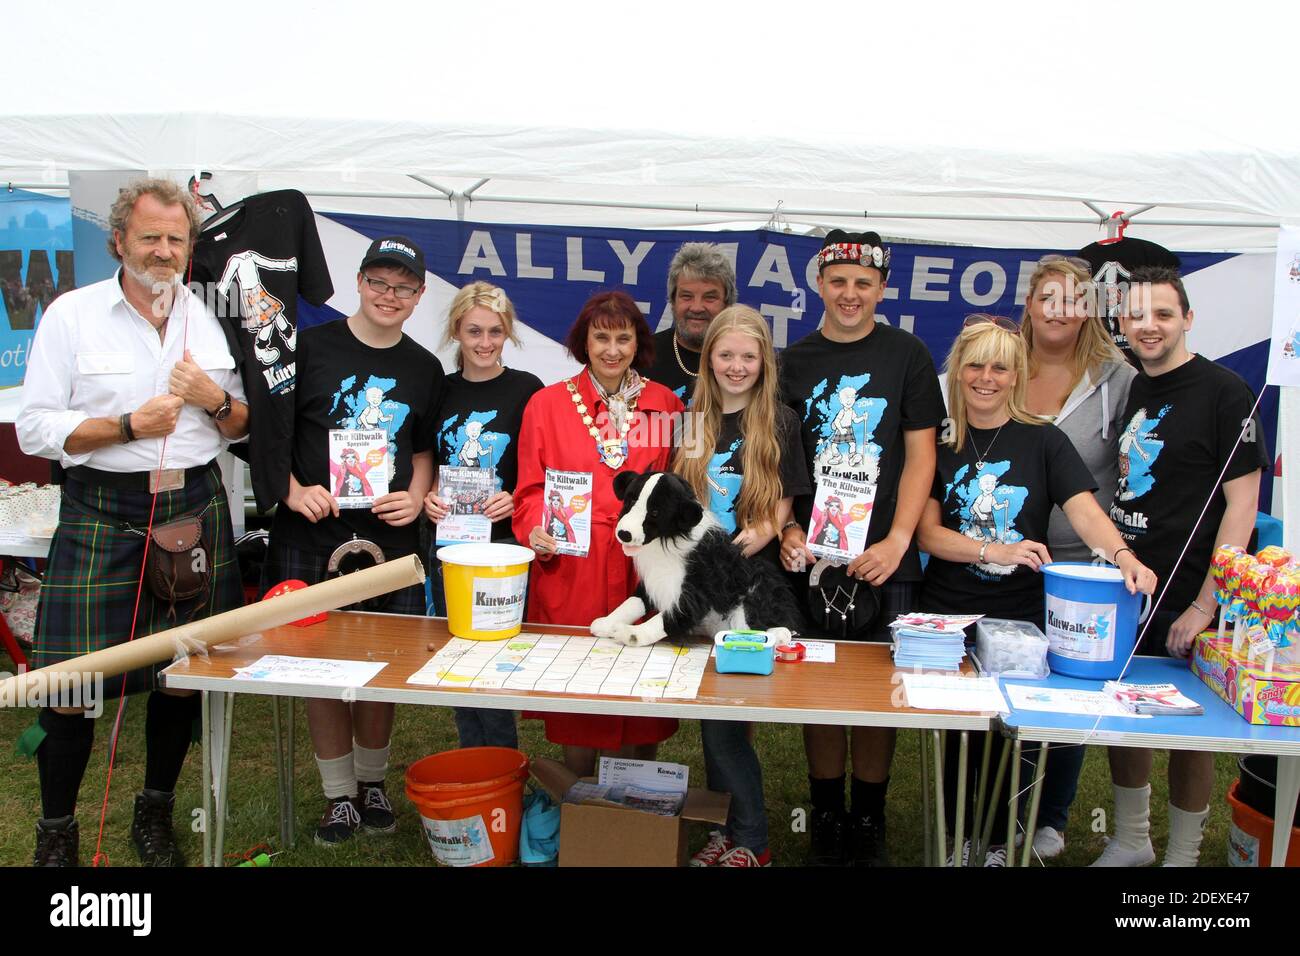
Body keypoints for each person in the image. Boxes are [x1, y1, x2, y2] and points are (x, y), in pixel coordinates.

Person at [17, 178, 249, 866]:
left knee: (180, 676)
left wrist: (215, 402)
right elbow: (35, 429)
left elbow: (241, 425)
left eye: (177, 239)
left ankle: (155, 816)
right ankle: (56, 833)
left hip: (192, 508)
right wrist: (126, 426)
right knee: (71, 686)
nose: (164, 251)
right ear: (118, 239)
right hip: (101, 512)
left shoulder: (207, 319)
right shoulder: (71, 314)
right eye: (150, 236)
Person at [916, 316, 1156, 866]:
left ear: (1017, 374)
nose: (985, 377)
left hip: (1021, 623)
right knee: (957, 740)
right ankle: (957, 843)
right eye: (975, 364)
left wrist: (1123, 556)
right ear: (957, 371)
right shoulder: (939, 441)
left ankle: (999, 843)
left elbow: (1085, 512)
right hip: (948, 618)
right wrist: (994, 551)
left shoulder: (1045, 438)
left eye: (1000, 367)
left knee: (1013, 740)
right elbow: (927, 531)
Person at [262, 235, 443, 846]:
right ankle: (336, 796)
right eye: (379, 283)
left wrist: (417, 497)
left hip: (387, 540)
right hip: (311, 531)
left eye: (404, 287)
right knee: (317, 669)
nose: (389, 296)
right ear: (359, 282)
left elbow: (422, 450)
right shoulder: (308, 348)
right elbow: (270, 436)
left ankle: (371, 784)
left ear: (419, 297)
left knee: (378, 666)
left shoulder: (424, 368)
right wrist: (290, 490)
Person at [777, 229, 945, 866]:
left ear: (881, 288)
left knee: (880, 687)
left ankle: (868, 817)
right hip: (815, 553)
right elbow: (778, 458)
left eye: (863, 284)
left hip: (883, 553)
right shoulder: (792, 361)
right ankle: (825, 811)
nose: (850, 294)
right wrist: (790, 529)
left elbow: (922, 454)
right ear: (819, 283)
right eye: (839, 281)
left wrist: (901, 540)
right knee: (819, 682)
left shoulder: (907, 354)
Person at [1095, 266, 1268, 867]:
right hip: (1128, 582)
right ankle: (1132, 839)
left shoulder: (1226, 393)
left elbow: (1243, 506)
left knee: (1194, 729)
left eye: (1164, 315)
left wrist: (1205, 602)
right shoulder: (1126, 386)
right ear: (1121, 321)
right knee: (1126, 710)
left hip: (1195, 591)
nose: (1149, 326)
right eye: (1137, 315)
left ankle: (1185, 856)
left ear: (1188, 319)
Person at [513, 290, 684, 775]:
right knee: (577, 694)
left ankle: (641, 803)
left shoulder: (664, 405)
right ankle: (580, 805)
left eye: (623, 338)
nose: (612, 349)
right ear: (582, 342)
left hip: (642, 568)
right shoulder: (546, 405)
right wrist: (535, 529)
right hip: (573, 567)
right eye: (601, 337)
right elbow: (528, 491)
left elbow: (675, 485)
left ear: (638, 344)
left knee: (644, 691)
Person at [673, 305, 809, 867]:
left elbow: (785, 502)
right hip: (700, 581)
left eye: (748, 357)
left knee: (727, 718)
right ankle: (726, 829)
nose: (736, 366)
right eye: (725, 355)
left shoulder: (780, 420)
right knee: (713, 712)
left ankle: (752, 839)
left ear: (764, 362)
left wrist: (764, 530)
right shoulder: (691, 418)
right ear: (708, 360)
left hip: (751, 588)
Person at [1020, 253, 1137, 859]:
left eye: (1073, 299)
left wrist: (1118, 551)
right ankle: (1000, 810)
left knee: (1068, 697)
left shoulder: (1118, 379)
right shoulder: (1001, 366)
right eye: (1048, 298)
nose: (1059, 310)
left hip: (1081, 569)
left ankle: (1051, 817)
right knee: (1008, 689)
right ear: (1031, 305)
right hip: (1005, 561)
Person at [423, 281, 542, 748]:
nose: (485, 342)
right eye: (474, 331)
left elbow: (540, 466)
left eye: (495, 331)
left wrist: (514, 496)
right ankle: (472, 754)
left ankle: (501, 759)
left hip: (504, 545)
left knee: (495, 655)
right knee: (459, 651)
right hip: (451, 541)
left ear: (508, 333)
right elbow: (423, 457)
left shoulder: (527, 390)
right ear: (457, 331)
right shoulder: (439, 390)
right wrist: (430, 494)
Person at [649, 242, 737, 401]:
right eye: (687, 296)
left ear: (727, 303)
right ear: (673, 301)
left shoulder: (746, 363)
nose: (696, 308)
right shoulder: (643, 356)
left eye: (710, 297)